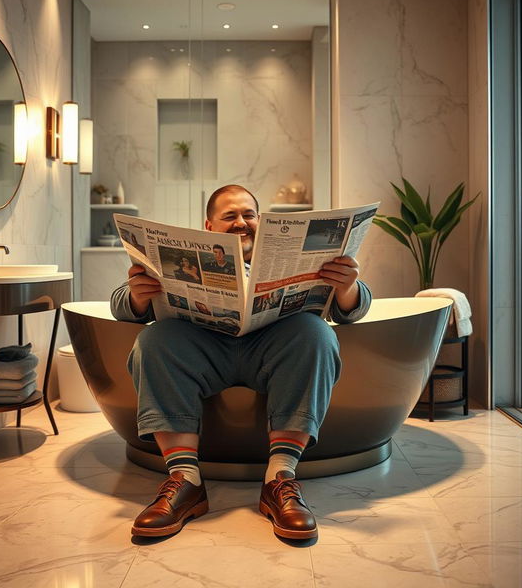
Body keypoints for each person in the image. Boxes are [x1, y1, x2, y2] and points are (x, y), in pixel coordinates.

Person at [111, 184, 372, 541]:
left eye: (249, 215)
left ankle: (280, 478)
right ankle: (184, 480)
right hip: (202, 351)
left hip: (274, 351)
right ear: (209, 227)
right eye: (230, 216)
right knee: (154, 340)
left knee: (317, 333)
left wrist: (348, 287)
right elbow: (118, 302)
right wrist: (138, 298)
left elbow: (358, 307)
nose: (241, 223)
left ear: (261, 222)